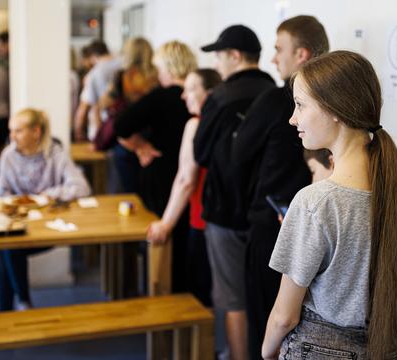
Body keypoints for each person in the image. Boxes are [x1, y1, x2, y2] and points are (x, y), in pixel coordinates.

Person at [261, 51, 397, 360]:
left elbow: (285, 316)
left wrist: (266, 351)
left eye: (300, 105)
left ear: (334, 108)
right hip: (388, 348)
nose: (292, 118)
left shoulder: (315, 202)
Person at [230, 15, 329, 359]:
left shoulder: (275, 100)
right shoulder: (325, 109)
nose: (294, 120)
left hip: (278, 226)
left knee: (273, 324)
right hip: (299, 226)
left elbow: (238, 154)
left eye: (278, 50)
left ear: (301, 54)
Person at [194, 24, 276, 360]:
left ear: (234, 56)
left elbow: (200, 153)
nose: (216, 65)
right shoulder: (276, 92)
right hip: (266, 212)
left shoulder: (221, 96)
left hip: (225, 211)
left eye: (219, 56)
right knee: (263, 294)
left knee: (231, 298)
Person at [114, 40, 196, 294]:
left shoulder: (162, 96)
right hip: (194, 177)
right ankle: (183, 294)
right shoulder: (202, 94)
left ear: (169, 67)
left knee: (162, 237)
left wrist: (140, 147)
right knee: (185, 241)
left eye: (159, 67)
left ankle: (160, 291)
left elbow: (121, 126)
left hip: (162, 176)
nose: (157, 73)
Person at [0, 108, 90, 311]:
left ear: (36, 132)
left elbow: (81, 187)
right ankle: (21, 302)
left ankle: (13, 306)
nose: (12, 136)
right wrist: (15, 201)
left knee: (6, 247)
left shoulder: (55, 154)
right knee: (7, 245)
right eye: (11, 131)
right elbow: (0, 191)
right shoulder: (8, 156)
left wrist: (51, 194)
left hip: (49, 227)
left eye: (18, 131)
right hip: (19, 224)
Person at [146, 68, 221, 306]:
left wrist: (166, 223)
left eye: (190, 90)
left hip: (202, 218)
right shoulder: (229, 121)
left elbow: (185, 179)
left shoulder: (196, 125)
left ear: (208, 93)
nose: (183, 96)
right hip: (227, 222)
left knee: (199, 296)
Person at [98, 37, 159, 192]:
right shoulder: (156, 77)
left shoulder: (122, 76)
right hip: (151, 137)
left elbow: (104, 103)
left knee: (125, 189)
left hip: (126, 138)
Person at [73, 40, 122, 141]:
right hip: (128, 125)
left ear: (93, 56)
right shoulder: (124, 64)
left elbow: (84, 107)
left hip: (104, 128)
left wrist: (78, 132)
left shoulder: (94, 74)